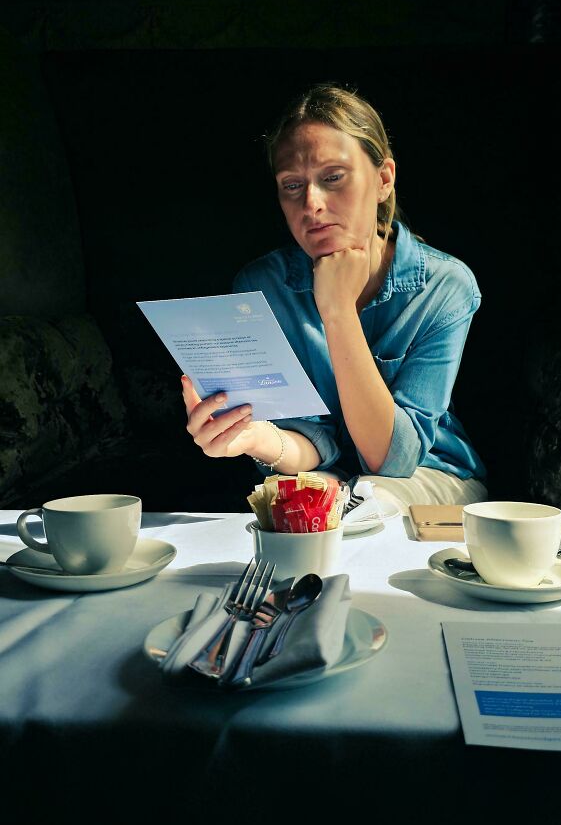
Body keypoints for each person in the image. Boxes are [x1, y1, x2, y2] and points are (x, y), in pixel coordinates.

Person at [182, 83, 487, 512]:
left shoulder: (444, 287)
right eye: (292, 185)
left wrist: (338, 310)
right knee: (304, 502)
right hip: (324, 478)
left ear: (383, 180)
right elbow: (307, 445)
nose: (312, 203)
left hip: (429, 478)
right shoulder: (261, 287)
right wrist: (256, 438)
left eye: (333, 178)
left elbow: (391, 459)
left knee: (368, 500)